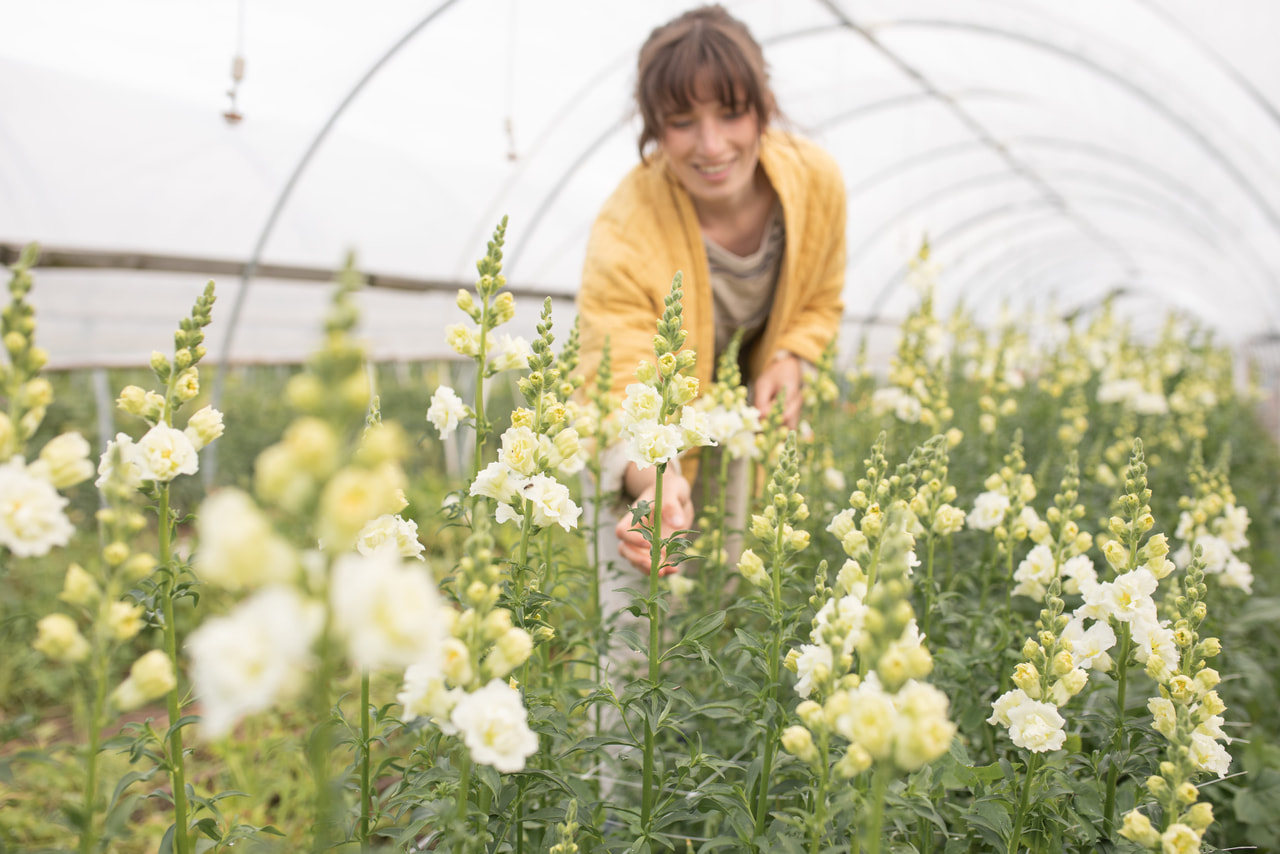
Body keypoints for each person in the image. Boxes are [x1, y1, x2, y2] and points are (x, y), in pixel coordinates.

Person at [577, 4, 846, 576]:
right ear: (652, 127)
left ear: (762, 108)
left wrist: (793, 357)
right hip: (652, 450)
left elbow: (822, 298)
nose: (712, 145)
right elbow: (619, 380)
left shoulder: (815, 183)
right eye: (681, 121)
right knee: (643, 633)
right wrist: (656, 478)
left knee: (742, 607)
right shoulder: (627, 227)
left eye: (731, 113)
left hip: (751, 437)